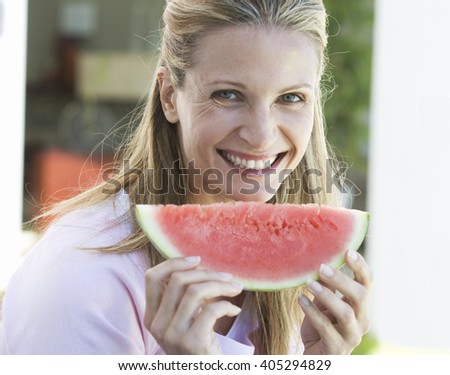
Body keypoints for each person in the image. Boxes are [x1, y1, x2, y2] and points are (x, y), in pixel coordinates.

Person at [0, 0, 372, 355]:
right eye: (228, 95)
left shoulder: (293, 284)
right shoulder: (81, 278)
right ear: (169, 97)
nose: (261, 135)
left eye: (291, 98)